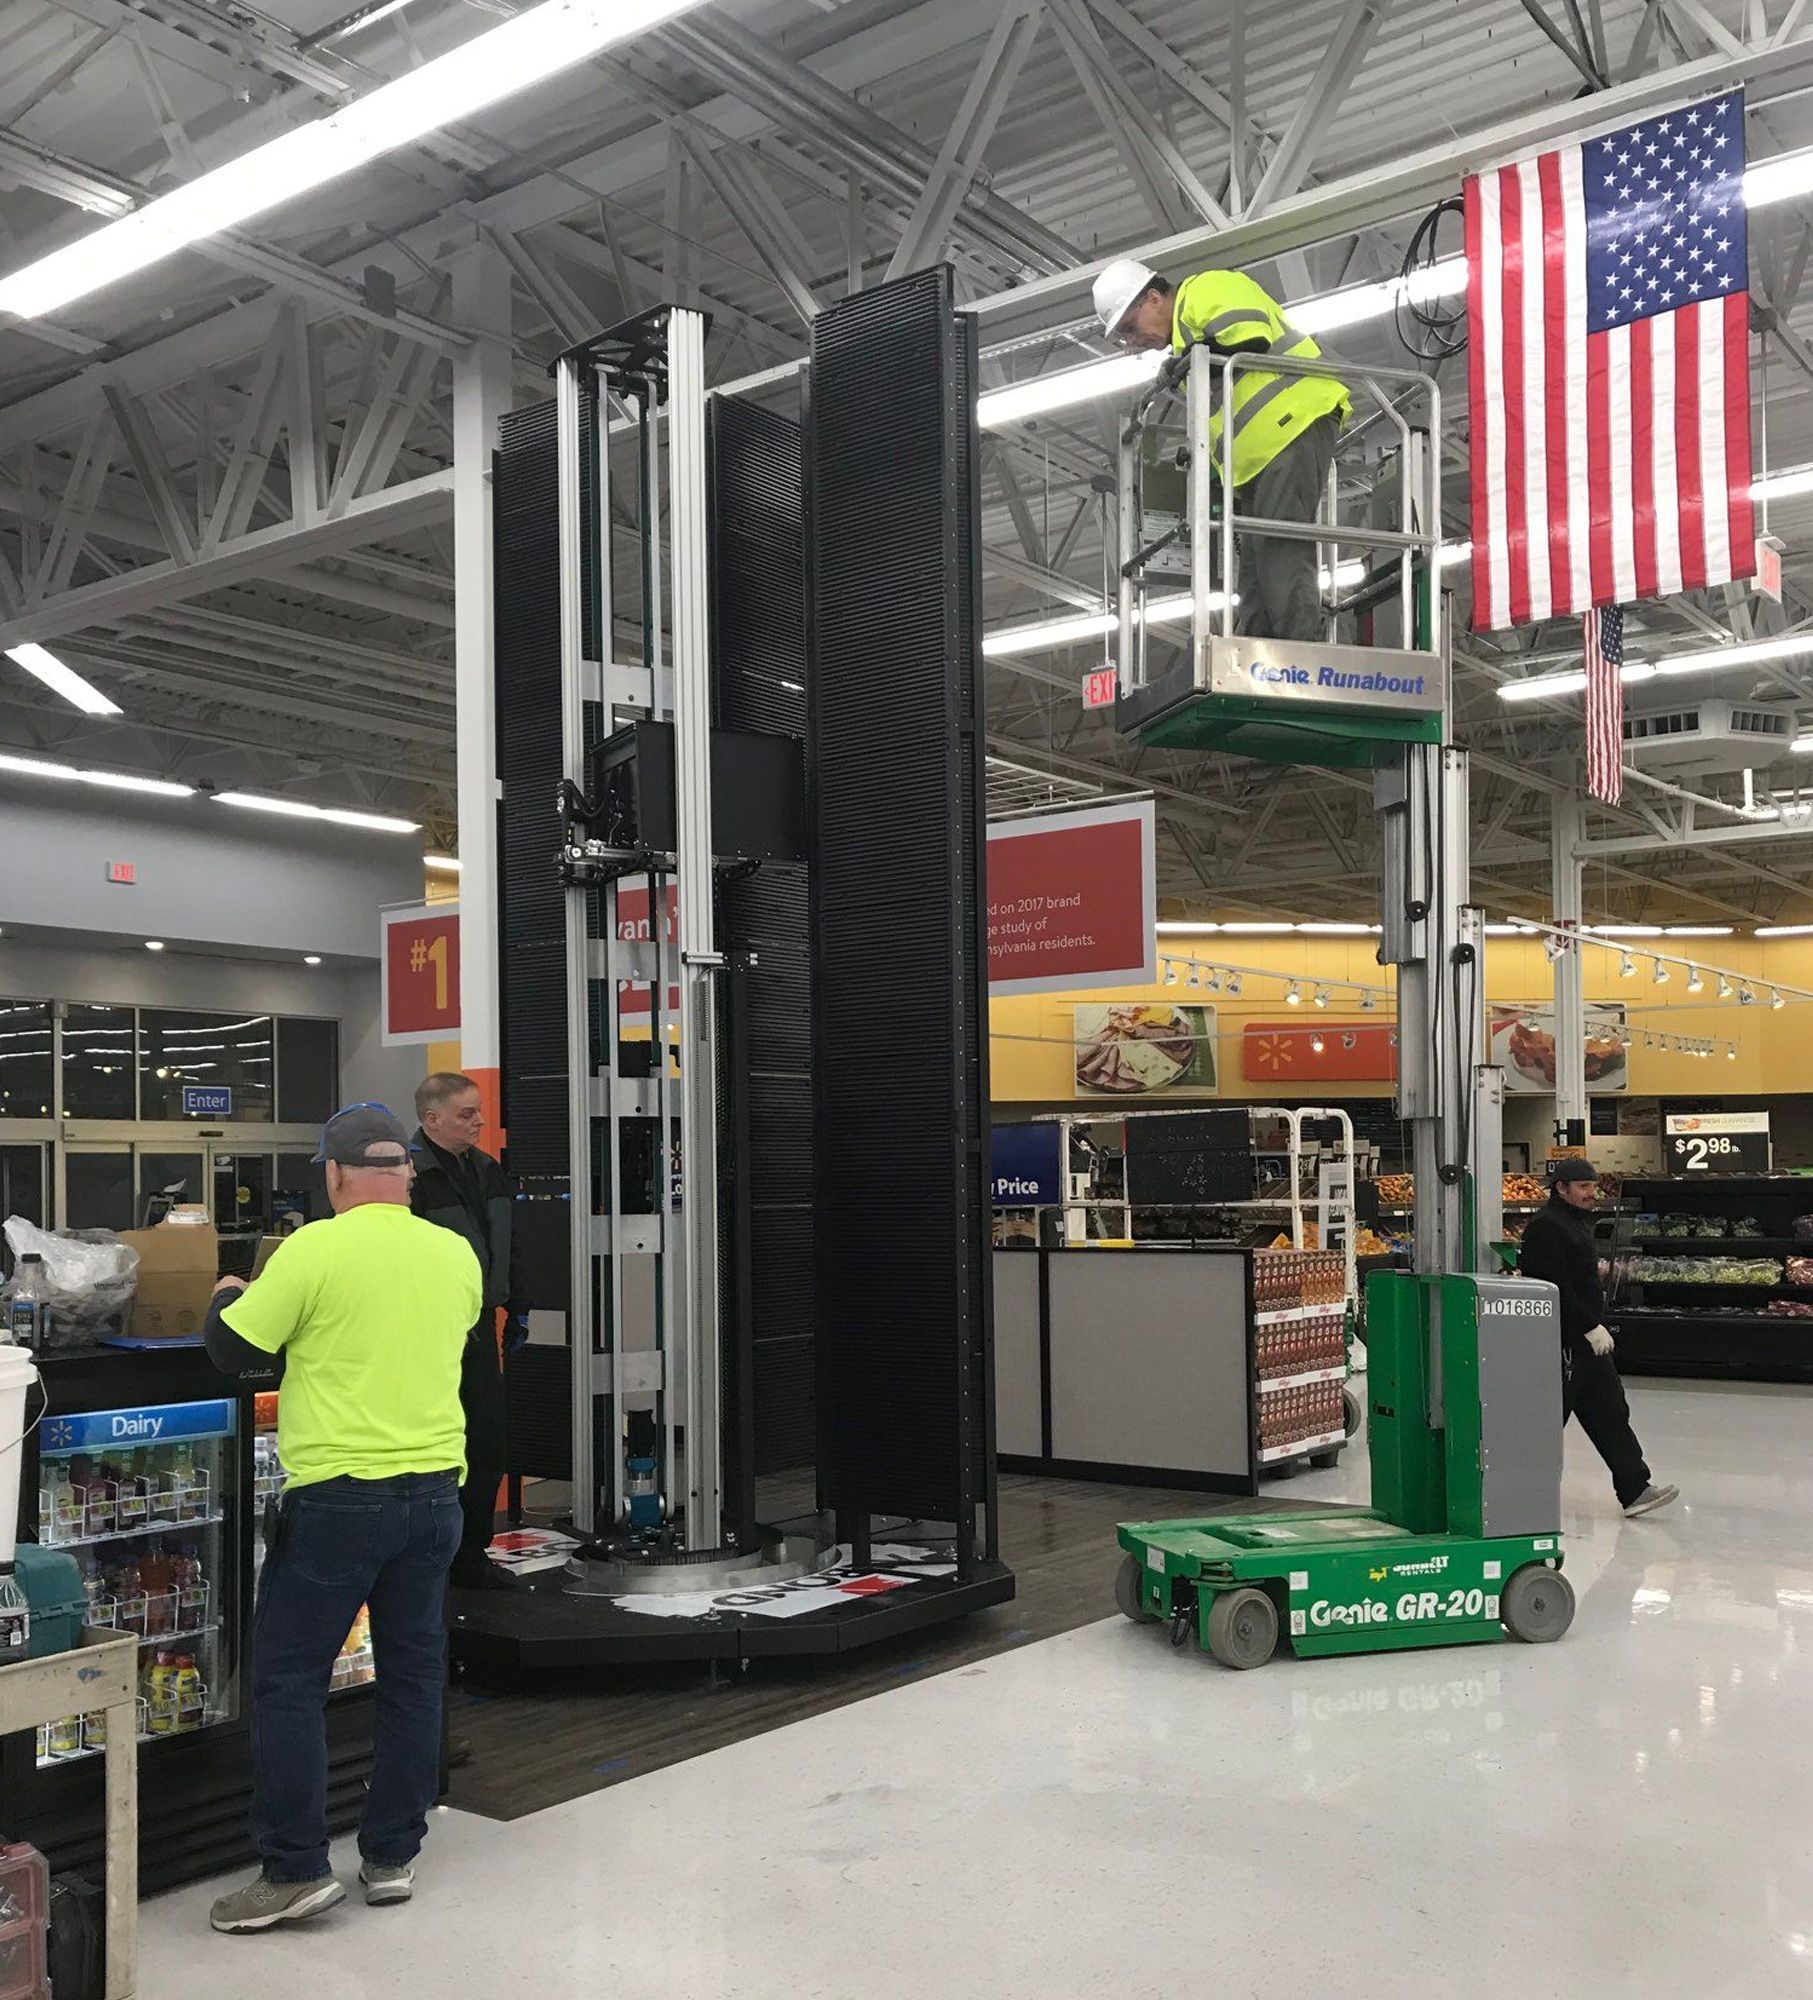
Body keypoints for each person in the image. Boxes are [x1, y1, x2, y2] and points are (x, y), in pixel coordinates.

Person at [202, 1102, 481, 1933]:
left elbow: (236, 1349)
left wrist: (226, 1293)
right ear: (404, 1174)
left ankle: (292, 1870)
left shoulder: (312, 1247)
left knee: (288, 1681)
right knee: (413, 1674)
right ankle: (391, 1856)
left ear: (332, 1175)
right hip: (435, 1495)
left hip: (338, 1499)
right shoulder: (453, 1251)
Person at [1092, 258, 1351, 643]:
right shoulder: (1185, 342)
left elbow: (1249, 338)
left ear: (1152, 298)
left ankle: (1301, 657)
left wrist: (1189, 360)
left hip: (1294, 423)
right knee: (1254, 573)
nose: (1133, 341)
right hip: (1258, 459)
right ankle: (1261, 660)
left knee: (1280, 551)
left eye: (1129, 328)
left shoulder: (1204, 290)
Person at [410, 1072, 531, 1590]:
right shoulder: (408, 1177)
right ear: (431, 1119)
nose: (480, 1122)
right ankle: (426, 1558)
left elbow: (510, 1245)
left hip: (480, 1327)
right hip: (426, 1332)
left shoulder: (489, 1171)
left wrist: (519, 1309)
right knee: (434, 1449)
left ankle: (471, 1555)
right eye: (466, 1114)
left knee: (486, 1445)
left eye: (479, 1112)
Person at [1516, 1156, 1678, 1519]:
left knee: (1611, 1413)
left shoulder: (1574, 1223)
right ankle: (1517, 1492)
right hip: (1563, 1343)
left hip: (1588, 1344)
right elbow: (1553, 1286)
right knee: (1545, 1421)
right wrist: (1588, 1325)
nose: (1592, 1193)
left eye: (1593, 1186)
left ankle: (1635, 1489)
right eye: (1584, 1187)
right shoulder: (1546, 1227)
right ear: (1561, 1188)